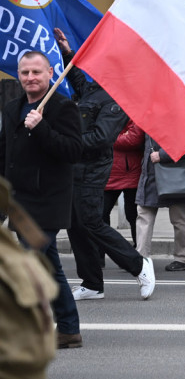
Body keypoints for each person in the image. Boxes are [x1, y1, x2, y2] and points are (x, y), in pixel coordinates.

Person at [54, 30, 155, 301]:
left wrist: (67, 141)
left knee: (91, 221)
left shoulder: (115, 98)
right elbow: (77, 79)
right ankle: (91, 283)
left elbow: (101, 138)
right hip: (76, 166)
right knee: (75, 224)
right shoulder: (95, 90)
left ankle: (139, 265)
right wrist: (67, 53)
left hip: (93, 168)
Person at [0, 51, 83, 348]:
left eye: (36, 72)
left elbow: (74, 151)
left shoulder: (62, 108)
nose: (30, 78)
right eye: (25, 73)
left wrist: (42, 128)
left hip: (48, 201)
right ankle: (69, 329)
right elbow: (5, 155)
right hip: (20, 201)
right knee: (49, 266)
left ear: (50, 72)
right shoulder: (13, 108)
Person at [135, 134, 185, 268]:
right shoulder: (149, 115)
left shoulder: (180, 115)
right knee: (144, 214)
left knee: (179, 218)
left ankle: (183, 258)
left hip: (175, 173)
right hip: (152, 172)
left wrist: (162, 155)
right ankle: (141, 257)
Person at [102, 119, 143, 246]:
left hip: (131, 172)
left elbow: (133, 139)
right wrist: (121, 134)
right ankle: (100, 254)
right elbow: (99, 133)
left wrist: (109, 136)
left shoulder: (133, 111)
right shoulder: (106, 107)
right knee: (101, 214)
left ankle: (139, 252)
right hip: (109, 171)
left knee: (133, 214)